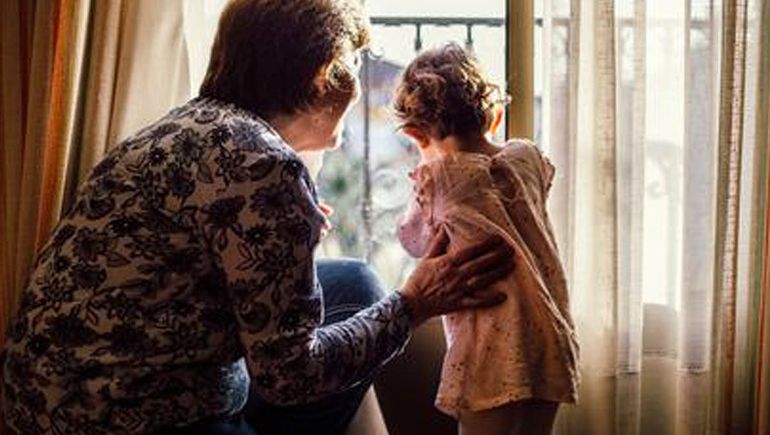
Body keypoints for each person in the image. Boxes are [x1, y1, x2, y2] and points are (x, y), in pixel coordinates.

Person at [1, 2, 515, 434]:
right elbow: (292, 376)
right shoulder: (264, 165)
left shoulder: (186, 126)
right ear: (325, 75)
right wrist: (416, 302)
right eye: (354, 67)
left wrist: (287, 235)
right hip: (136, 421)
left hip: (45, 401)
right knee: (373, 309)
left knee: (355, 282)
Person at [394, 43, 580, 435]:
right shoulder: (526, 156)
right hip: (549, 334)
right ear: (494, 117)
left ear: (414, 135)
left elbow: (413, 241)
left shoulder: (438, 178)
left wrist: (424, 185)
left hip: (490, 348)